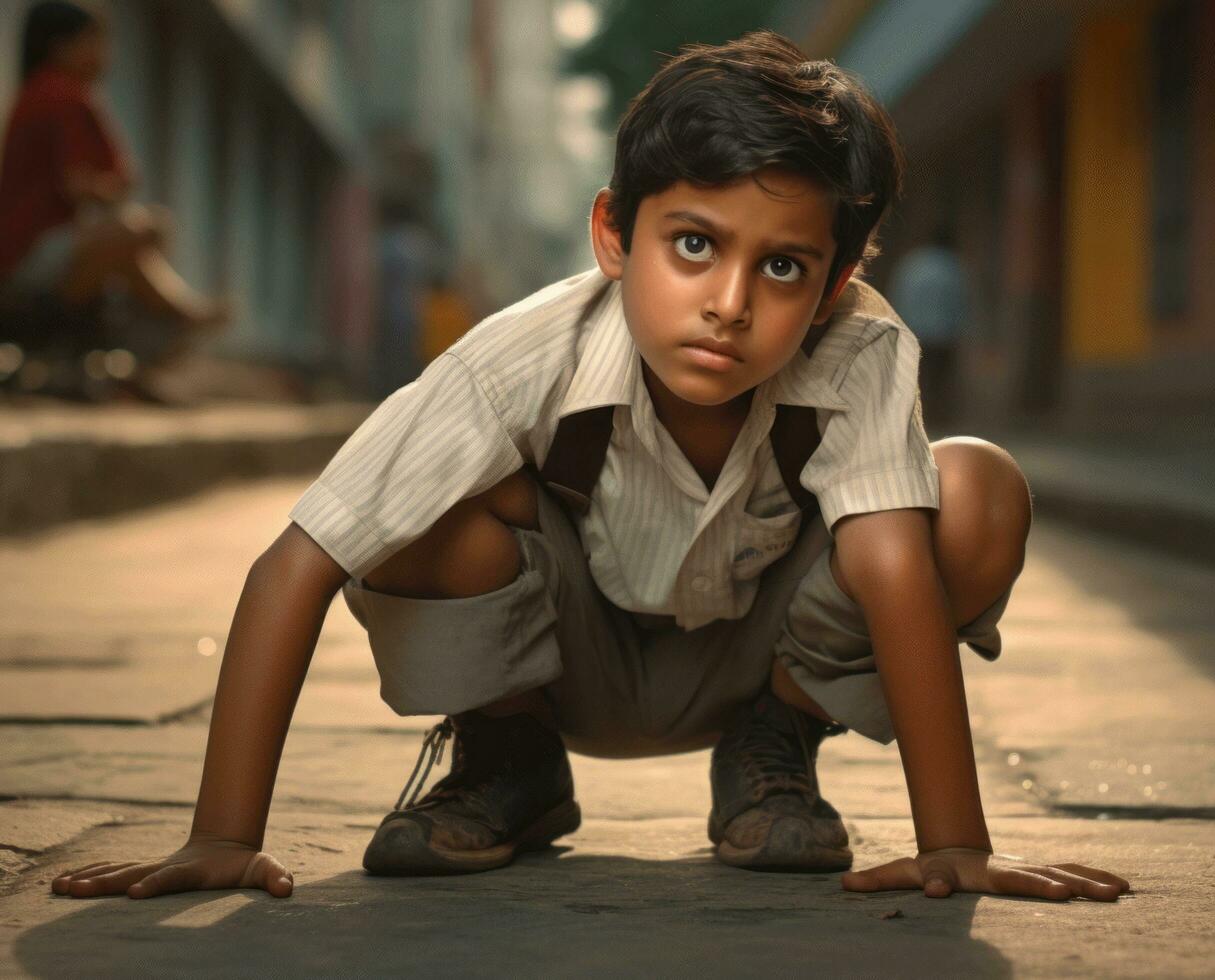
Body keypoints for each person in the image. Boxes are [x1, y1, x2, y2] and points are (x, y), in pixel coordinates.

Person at [51, 32, 1128, 903]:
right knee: (420, 502)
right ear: (615, 233)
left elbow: (892, 564)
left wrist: (955, 843)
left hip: (758, 660)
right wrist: (222, 833)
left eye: (784, 265)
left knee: (976, 487)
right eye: (694, 244)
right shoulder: (523, 354)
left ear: (839, 280)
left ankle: (775, 748)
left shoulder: (860, 347)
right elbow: (299, 560)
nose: (729, 302)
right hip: (557, 660)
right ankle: (506, 758)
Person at [0, 1, 225, 373]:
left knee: (135, 240)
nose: (107, 54)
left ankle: (176, 318)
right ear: (61, 46)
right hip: (25, 260)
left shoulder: (41, 92)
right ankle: (177, 318)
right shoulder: (60, 94)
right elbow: (87, 185)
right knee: (140, 230)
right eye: (94, 41)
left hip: (29, 253)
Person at [888, 227, 966, 427]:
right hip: (943, 336)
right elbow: (959, 302)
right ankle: (939, 417)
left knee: (916, 377)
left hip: (914, 332)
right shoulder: (952, 266)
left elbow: (899, 297)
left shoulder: (912, 263)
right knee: (940, 380)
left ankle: (916, 417)